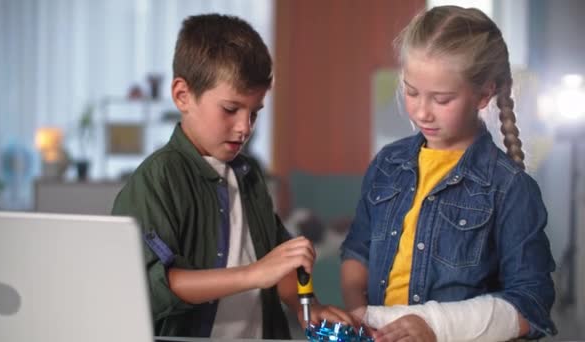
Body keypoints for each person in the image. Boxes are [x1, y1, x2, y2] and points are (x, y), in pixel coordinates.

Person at [112, 14, 353, 339]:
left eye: (254, 113)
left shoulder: (250, 174)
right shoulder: (160, 178)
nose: (245, 128)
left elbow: (278, 263)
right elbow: (154, 284)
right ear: (183, 95)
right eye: (230, 109)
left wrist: (305, 307)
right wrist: (253, 274)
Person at [340, 6, 556, 342]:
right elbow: (357, 252)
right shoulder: (387, 164)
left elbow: (532, 306)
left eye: (441, 99)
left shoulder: (510, 188)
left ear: (483, 95)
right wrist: (361, 317)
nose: (421, 111)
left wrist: (437, 327)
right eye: (411, 92)